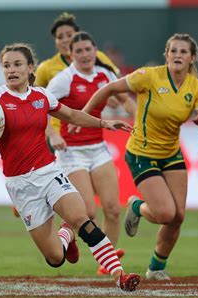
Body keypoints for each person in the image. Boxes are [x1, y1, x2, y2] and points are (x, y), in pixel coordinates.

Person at [0, 43, 140, 291]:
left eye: (17, 64)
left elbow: (72, 115)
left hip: (50, 171)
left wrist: (105, 123)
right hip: (20, 184)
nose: (11, 70)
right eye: (6, 65)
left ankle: (119, 276)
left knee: (82, 217)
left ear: (30, 68)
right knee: (55, 258)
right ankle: (65, 237)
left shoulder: (41, 96)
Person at [82, 33, 198, 280]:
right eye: (173, 50)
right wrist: (85, 115)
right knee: (165, 214)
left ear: (192, 58)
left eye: (183, 51)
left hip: (171, 153)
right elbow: (110, 88)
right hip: (141, 153)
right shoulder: (149, 76)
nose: (177, 55)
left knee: (178, 217)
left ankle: (156, 269)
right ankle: (136, 206)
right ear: (166, 55)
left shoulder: (196, 87)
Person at [46, 32, 135, 276]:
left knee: (114, 209)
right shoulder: (64, 79)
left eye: (88, 49)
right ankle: (69, 234)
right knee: (88, 212)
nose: (85, 55)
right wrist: (53, 135)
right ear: (70, 55)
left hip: (98, 148)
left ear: (96, 50)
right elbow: (39, 106)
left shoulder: (105, 75)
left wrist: (137, 119)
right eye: (79, 51)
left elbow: (124, 99)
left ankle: (106, 266)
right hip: (71, 152)